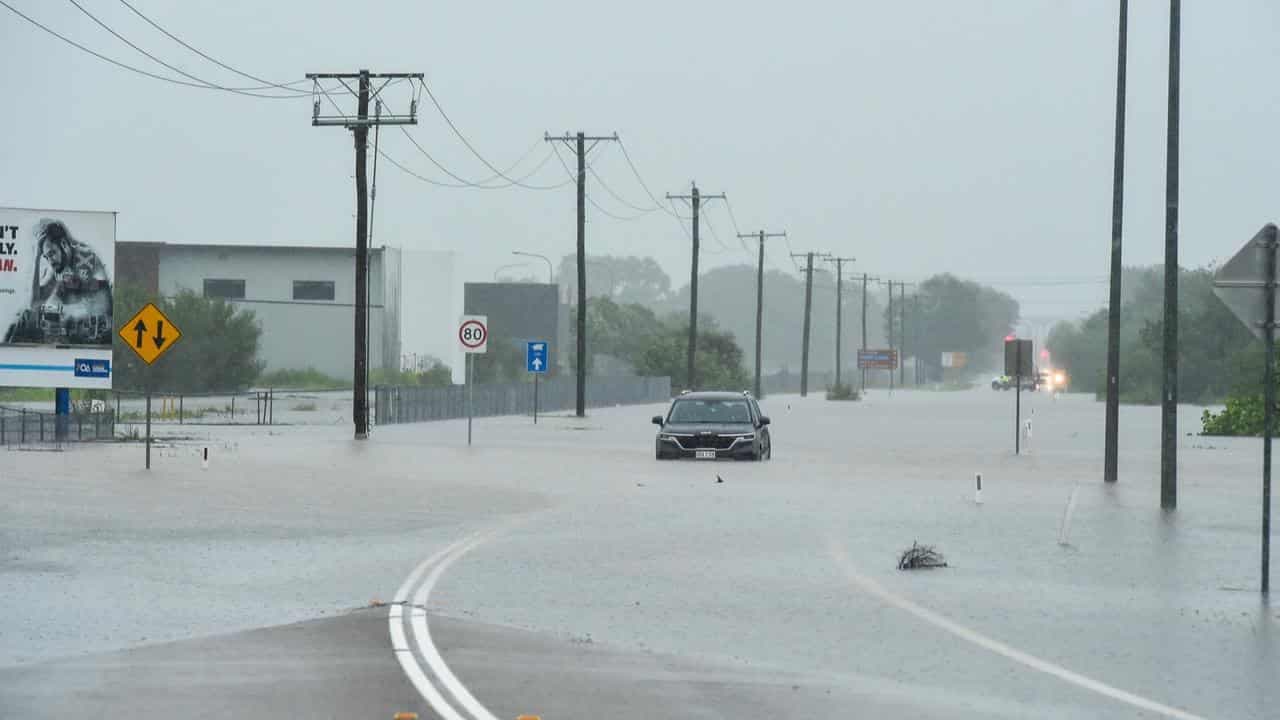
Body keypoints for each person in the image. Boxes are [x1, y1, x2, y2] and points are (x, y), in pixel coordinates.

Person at [4, 219, 112, 345]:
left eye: (52, 253)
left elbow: (104, 304)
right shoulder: (58, 266)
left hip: (96, 331)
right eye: (46, 256)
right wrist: (36, 259)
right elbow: (33, 303)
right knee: (22, 318)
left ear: (64, 244)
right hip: (73, 329)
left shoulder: (87, 257)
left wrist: (67, 310)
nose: (50, 260)